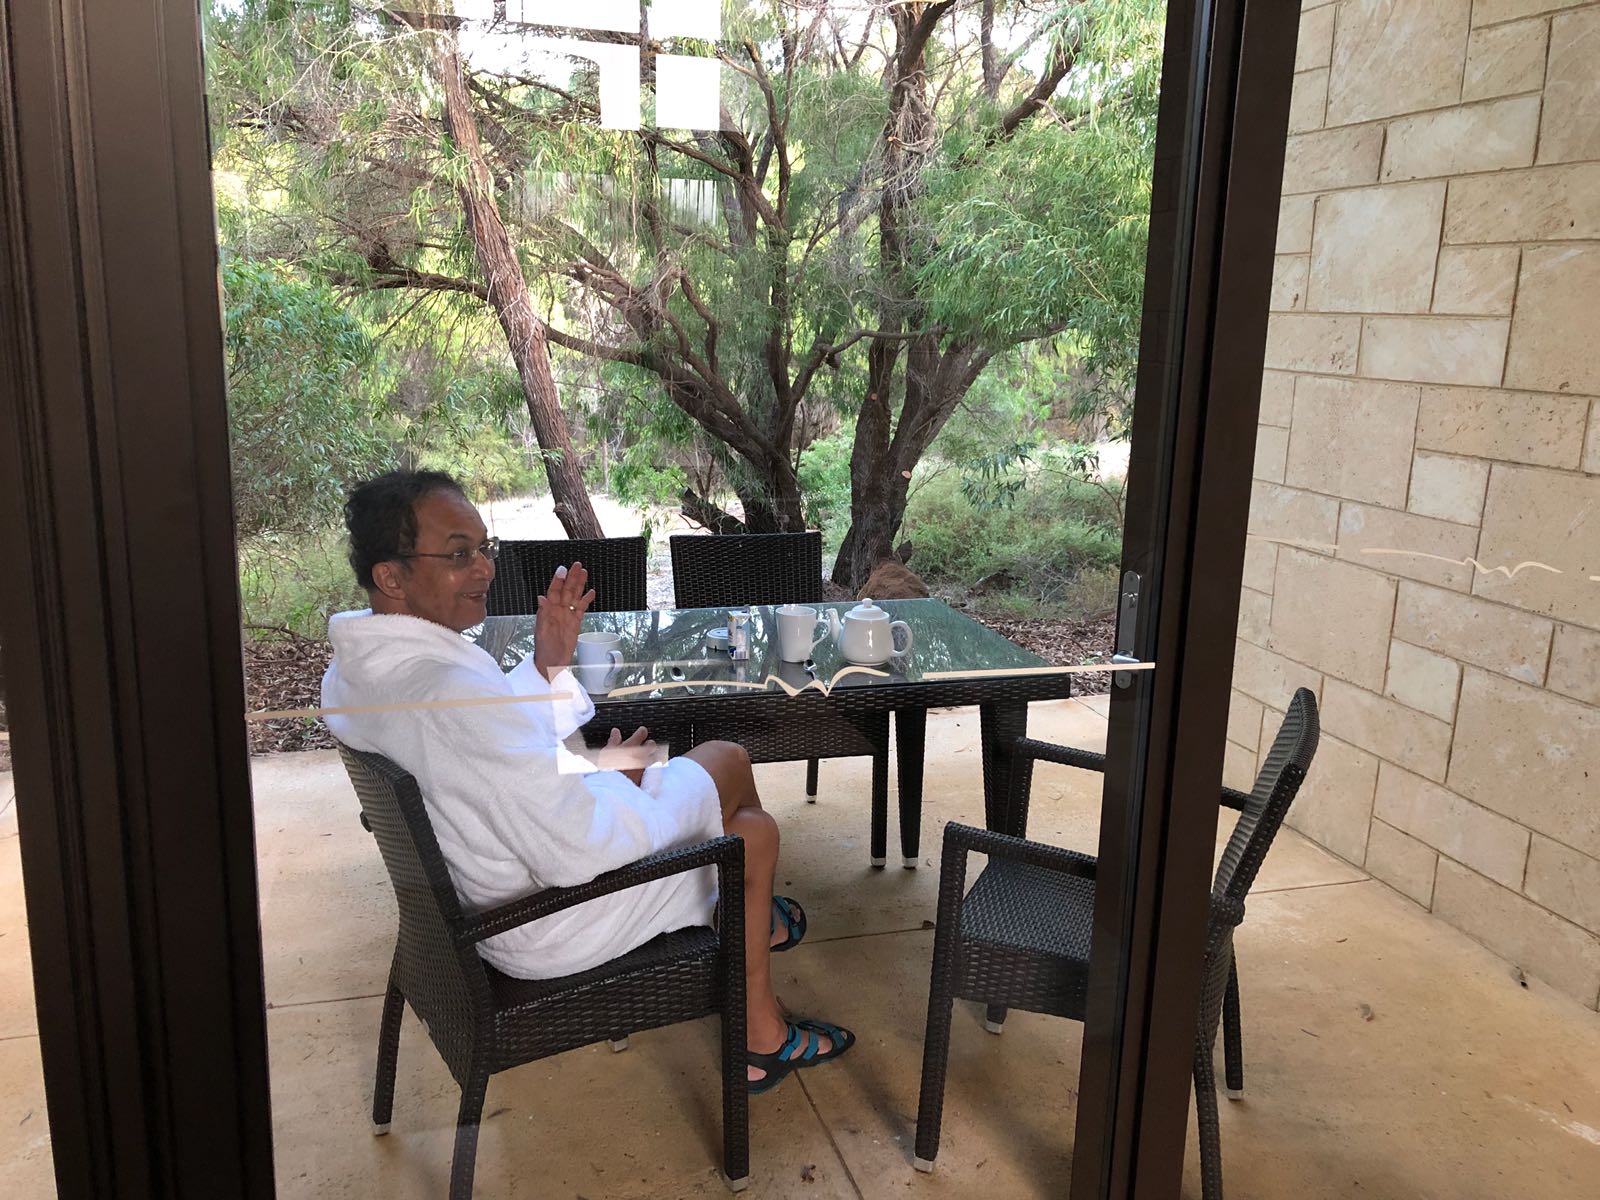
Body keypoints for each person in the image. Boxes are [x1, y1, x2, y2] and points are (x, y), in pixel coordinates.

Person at [321, 469, 851, 1092]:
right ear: (392, 577)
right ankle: (758, 1022)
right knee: (745, 810)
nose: (485, 568)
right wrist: (622, 781)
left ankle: (751, 921)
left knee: (729, 793)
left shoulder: (359, 672)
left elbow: (488, 755)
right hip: (545, 919)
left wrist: (548, 665)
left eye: (484, 548)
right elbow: (573, 849)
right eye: (459, 555)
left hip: (492, 883)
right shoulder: (445, 692)